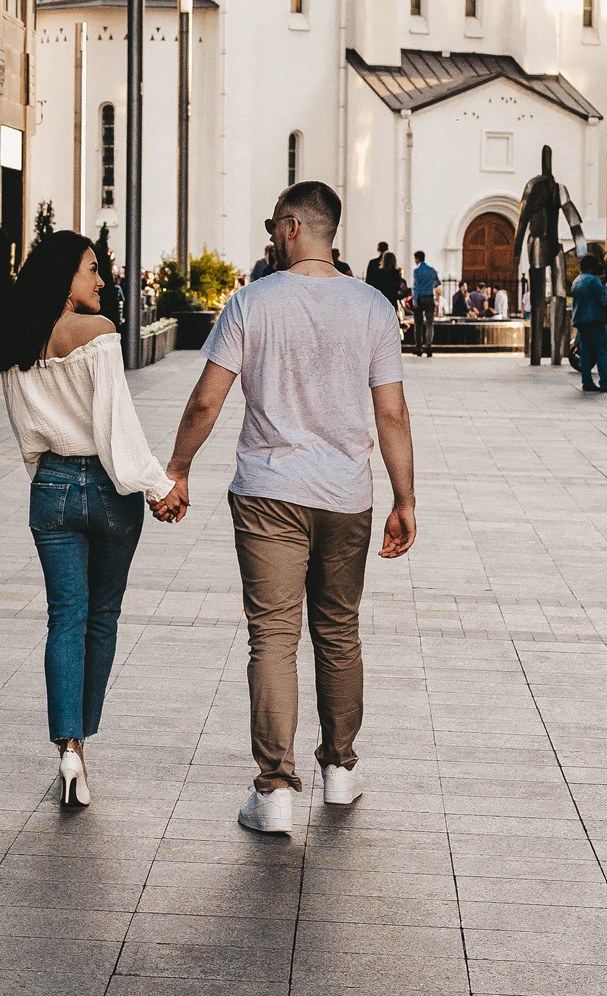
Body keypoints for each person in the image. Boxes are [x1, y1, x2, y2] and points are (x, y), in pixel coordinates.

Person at [160, 181, 416, 835]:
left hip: (269, 493)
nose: (271, 235)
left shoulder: (250, 303)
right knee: (337, 633)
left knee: (272, 638)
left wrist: (179, 467)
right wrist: (404, 499)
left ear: (296, 225)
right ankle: (339, 772)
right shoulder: (373, 307)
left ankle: (274, 792)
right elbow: (391, 412)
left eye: (275, 224)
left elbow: (205, 402)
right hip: (346, 497)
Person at [0, 232, 184, 807]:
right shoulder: (97, 336)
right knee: (101, 618)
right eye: (92, 269)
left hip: (50, 485)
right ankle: (83, 746)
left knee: (64, 620)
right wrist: (160, 485)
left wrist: (50, 482)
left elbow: (26, 436)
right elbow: (115, 429)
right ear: (64, 276)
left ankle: (68, 748)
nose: (101, 281)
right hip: (107, 491)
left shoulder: (17, 338)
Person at [572, 253, 607, 394]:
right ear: (591, 267)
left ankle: (587, 382)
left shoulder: (577, 280)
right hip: (594, 320)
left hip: (581, 321)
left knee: (585, 353)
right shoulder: (593, 281)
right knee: (602, 352)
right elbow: (603, 300)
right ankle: (604, 383)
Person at [411, 251, 442, 356]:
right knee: (429, 323)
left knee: (418, 324)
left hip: (420, 298)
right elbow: (438, 282)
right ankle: (428, 346)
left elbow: (416, 287)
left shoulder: (417, 271)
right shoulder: (432, 270)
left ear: (418, 259)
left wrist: (414, 300)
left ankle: (418, 347)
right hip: (429, 297)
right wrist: (430, 285)